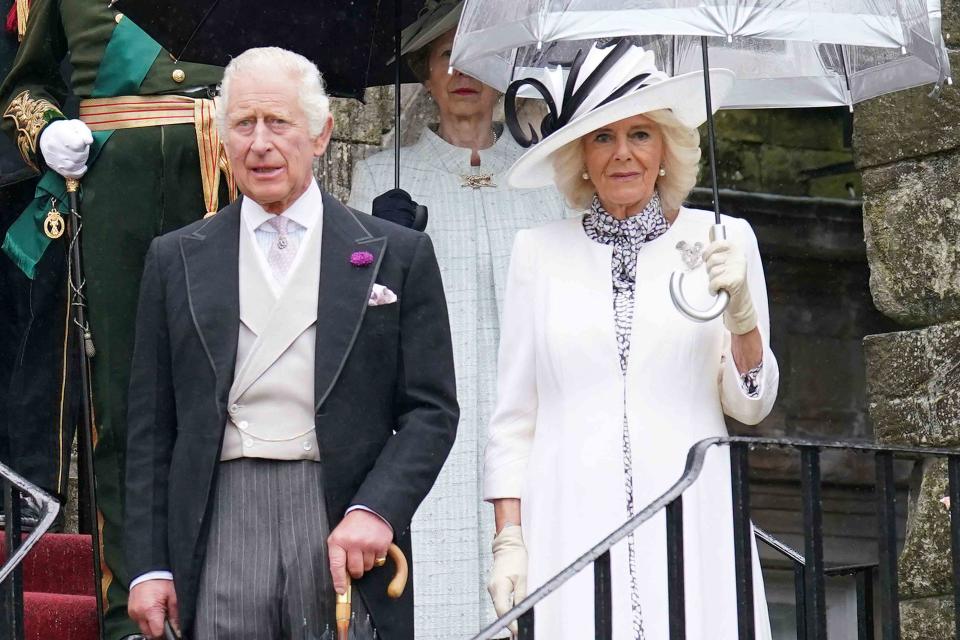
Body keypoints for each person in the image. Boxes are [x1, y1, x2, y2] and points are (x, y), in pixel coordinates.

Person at [123, 47, 458, 640]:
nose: (260, 143)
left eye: (278, 122)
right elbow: (151, 428)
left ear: (321, 133)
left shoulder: (397, 254)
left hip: (337, 513)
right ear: (223, 137)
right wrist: (148, 566)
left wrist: (376, 509)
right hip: (219, 513)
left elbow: (431, 412)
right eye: (244, 124)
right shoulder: (174, 258)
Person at [484, 40, 779, 639]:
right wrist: (509, 540)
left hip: (692, 506)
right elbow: (514, 417)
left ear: (667, 150)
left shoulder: (725, 237)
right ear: (580, 158)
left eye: (640, 134)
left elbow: (750, 402)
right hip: (568, 510)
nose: (623, 155)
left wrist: (743, 318)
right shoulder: (536, 251)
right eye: (602, 137)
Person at [0, 4, 233, 637]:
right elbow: (25, 85)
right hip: (113, 193)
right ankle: (127, 609)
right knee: (121, 402)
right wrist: (46, 130)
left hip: (225, 176)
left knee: (234, 395)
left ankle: (229, 591)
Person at [347, 3, 569, 637]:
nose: (462, 70)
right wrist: (376, 247)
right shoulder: (378, 178)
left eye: (478, 55)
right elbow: (355, 320)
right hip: (430, 424)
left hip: (535, 418)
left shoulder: (549, 177)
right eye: (446, 56)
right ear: (424, 72)